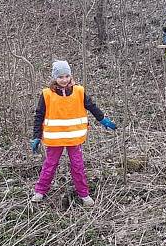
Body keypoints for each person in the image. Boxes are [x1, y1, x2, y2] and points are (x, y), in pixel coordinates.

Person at [29, 60, 116, 207]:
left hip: (74, 138)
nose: (64, 80)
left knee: (78, 166)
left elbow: (91, 106)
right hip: (55, 139)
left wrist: (102, 119)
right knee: (50, 165)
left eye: (67, 76)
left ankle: (84, 194)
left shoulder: (79, 91)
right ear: (54, 78)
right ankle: (40, 191)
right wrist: (36, 136)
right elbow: (39, 115)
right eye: (60, 77)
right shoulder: (47, 94)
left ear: (70, 76)